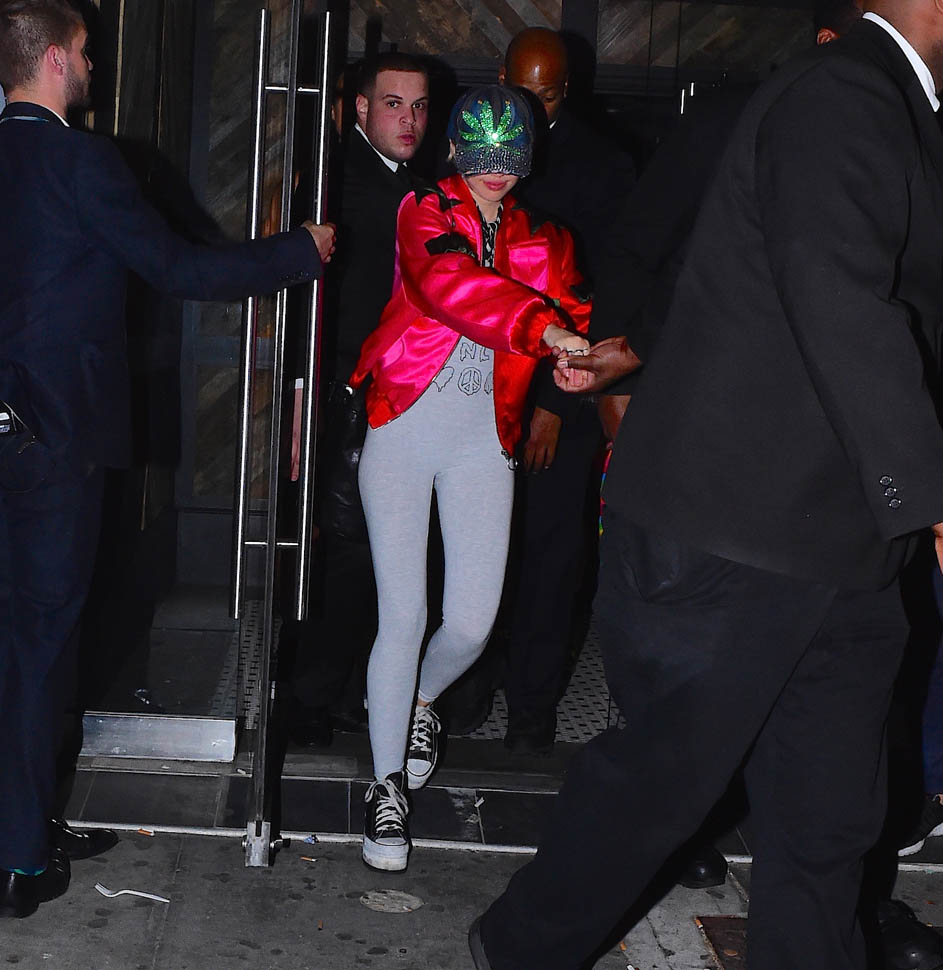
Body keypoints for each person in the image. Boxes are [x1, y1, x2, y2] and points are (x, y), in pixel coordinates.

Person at [471, 4, 943, 969]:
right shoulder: (843, 92)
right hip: (736, 528)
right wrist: (931, 499)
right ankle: (516, 948)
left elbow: (741, 267)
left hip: (840, 536)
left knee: (827, 817)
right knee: (660, 788)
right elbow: (835, 292)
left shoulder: (889, 102)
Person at [0, 0, 335, 918]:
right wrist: (297, 251)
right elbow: (182, 270)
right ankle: (19, 859)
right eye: (85, 52)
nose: (94, 66)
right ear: (56, 61)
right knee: (38, 646)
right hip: (53, 442)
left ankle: (28, 820)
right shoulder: (80, 161)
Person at [349, 84, 590, 873]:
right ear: (452, 149)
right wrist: (544, 329)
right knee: (403, 614)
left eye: (510, 156)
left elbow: (576, 316)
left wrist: (576, 363)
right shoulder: (423, 210)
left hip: (484, 441)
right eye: (480, 153)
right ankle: (386, 786)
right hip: (402, 425)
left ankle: (419, 700)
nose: (495, 169)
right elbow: (449, 285)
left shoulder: (545, 240)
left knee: (473, 625)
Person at [481, 26, 635, 753]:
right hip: (476, 390)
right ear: (500, 78)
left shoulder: (604, 165)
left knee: (550, 553)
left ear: (565, 91)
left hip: (560, 391)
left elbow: (604, 297)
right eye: (523, 90)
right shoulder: (475, 145)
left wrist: (551, 402)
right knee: (475, 546)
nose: (534, 108)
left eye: (547, 95)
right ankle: (463, 691)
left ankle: (531, 709)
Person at [282, 52, 430, 748]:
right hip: (347, 393)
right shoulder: (334, 184)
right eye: (394, 104)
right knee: (347, 552)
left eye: (419, 106)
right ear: (362, 109)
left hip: (398, 397)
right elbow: (305, 301)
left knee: (379, 553)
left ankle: (343, 695)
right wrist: (299, 399)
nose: (410, 119)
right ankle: (313, 699)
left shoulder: (422, 187)